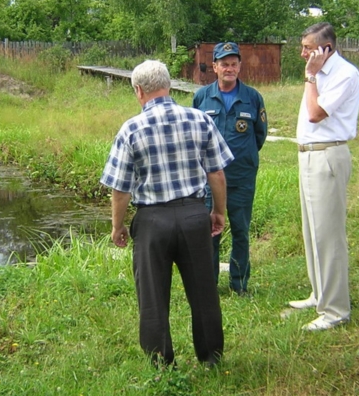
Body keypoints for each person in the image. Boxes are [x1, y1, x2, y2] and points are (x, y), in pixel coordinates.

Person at [100, 60, 234, 367]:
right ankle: (211, 357)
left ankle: (161, 360)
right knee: (203, 290)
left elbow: (120, 189)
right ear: (169, 85)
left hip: (151, 221)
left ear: (138, 91)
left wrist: (117, 227)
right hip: (192, 214)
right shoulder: (199, 119)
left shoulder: (131, 128)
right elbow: (217, 174)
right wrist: (218, 212)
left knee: (152, 295)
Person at [287, 22, 359, 331]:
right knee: (312, 230)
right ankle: (319, 293)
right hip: (309, 154)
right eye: (303, 46)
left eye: (308, 47)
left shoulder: (344, 74)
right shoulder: (320, 75)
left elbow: (316, 113)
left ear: (326, 49)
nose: (303, 52)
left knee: (328, 235)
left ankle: (335, 310)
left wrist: (310, 76)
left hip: (328, 155)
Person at [192, 42, 267, 296]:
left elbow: (259, 136)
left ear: (239, 67)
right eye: (224, 64)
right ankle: (208, 286)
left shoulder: (253, 98)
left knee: (241, 232)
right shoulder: (202, 97)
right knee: (208, 233)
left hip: (241, 178)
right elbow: (194, 134)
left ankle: (239, 284)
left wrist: (242, 159)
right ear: (214, 67)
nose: (229, 69)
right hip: (209, 179)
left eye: (234, 64)